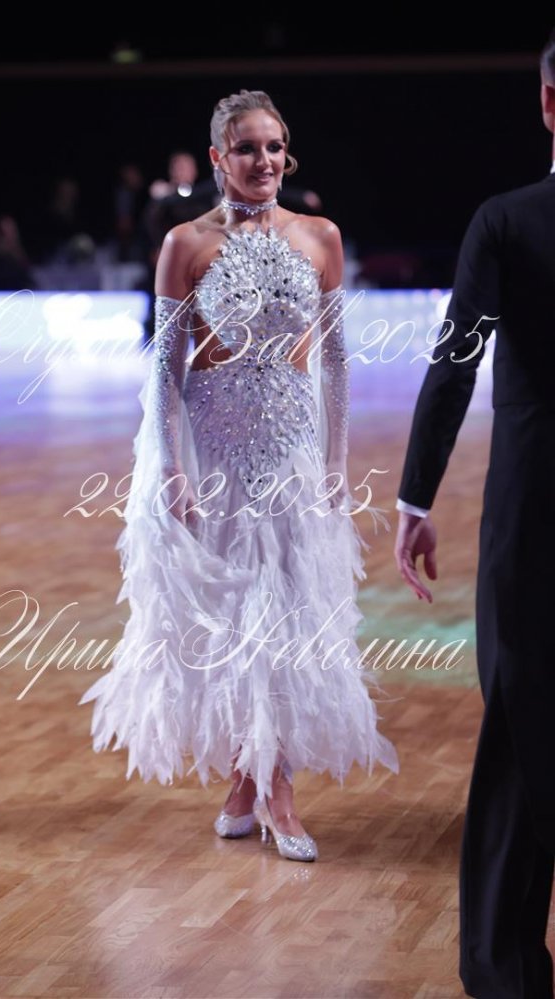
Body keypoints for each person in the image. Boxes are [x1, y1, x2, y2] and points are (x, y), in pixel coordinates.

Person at [80, 89, 398, 863]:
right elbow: (165, 367)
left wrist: (335, 462)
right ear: (219, 158)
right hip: (213, 448)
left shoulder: (320, 235)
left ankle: (277, 786)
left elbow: (335, 358)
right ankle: (242, 774)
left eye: (275, 146)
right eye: (248, 148)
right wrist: (173, 467)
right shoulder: (184, 243)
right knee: (224, 615)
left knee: (287, 612)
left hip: (291, 451)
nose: (265, 161)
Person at [394, 31, 555, 999]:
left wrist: (415, 497)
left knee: (520, 722)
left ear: (547, 103)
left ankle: (505, 969)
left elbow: (455, 363)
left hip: (534, 511)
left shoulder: (505, 220)